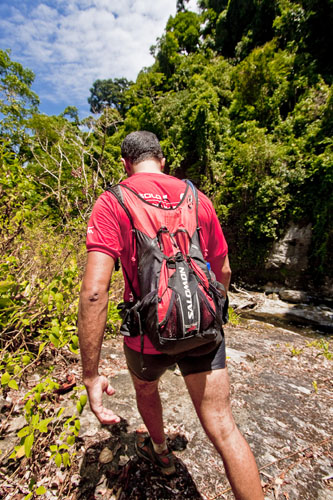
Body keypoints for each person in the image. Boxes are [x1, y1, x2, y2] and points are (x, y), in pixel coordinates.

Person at [78, 131, 264, 499]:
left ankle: (160, 453)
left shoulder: (112, 200)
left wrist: (91, 374)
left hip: (147, 336)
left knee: (146, 388)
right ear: (162, 161)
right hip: (204, 330)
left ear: (125, 164)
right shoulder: (198, 198)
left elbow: (95, 291)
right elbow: (222, 270)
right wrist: (212, 309)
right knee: (224, 428)